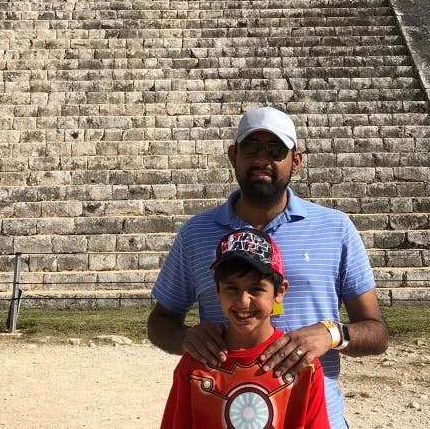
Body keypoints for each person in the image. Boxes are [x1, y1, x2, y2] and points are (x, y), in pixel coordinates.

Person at [148, 106, 389, 429]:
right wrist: (189, 338)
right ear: (233, 155)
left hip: (315, 418)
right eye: (251, 148)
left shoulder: (335, 228)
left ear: (296, 160)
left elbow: (377, 332)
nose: (262, 160)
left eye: (275, 150)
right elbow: (160, 322)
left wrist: (333, 333)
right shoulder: (196, 234)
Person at [160, 227, 330, 428]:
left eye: (256, 289)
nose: (243, 301)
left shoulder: (302, 366)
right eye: (232, 288)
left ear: (279, 292)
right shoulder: (194, 366)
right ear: (217, 292)